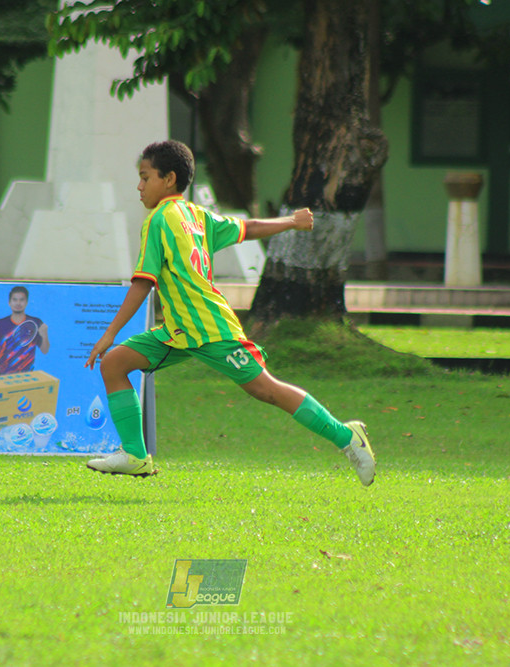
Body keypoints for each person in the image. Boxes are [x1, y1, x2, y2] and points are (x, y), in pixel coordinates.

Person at [83, 140, 375, 486]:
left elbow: (142, 284)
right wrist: (291, 222)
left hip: (210, 329)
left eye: (145, 177)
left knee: (266, 390)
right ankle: (135, 456)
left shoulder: (158, 221)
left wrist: (110, 333)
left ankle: (347, 437)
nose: (139, 186)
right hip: (179, 331)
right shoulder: (196, 215)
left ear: (169, 179)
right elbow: (246, 228)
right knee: (115, 364)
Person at [0, 285, 49, 376]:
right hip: (2, 377)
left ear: (27, 302)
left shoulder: (36, 323)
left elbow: (45, 350)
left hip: (26, 378)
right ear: (9, 302)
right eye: (15, 300)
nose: (18, 303)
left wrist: (44, 335)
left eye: (21, 300)